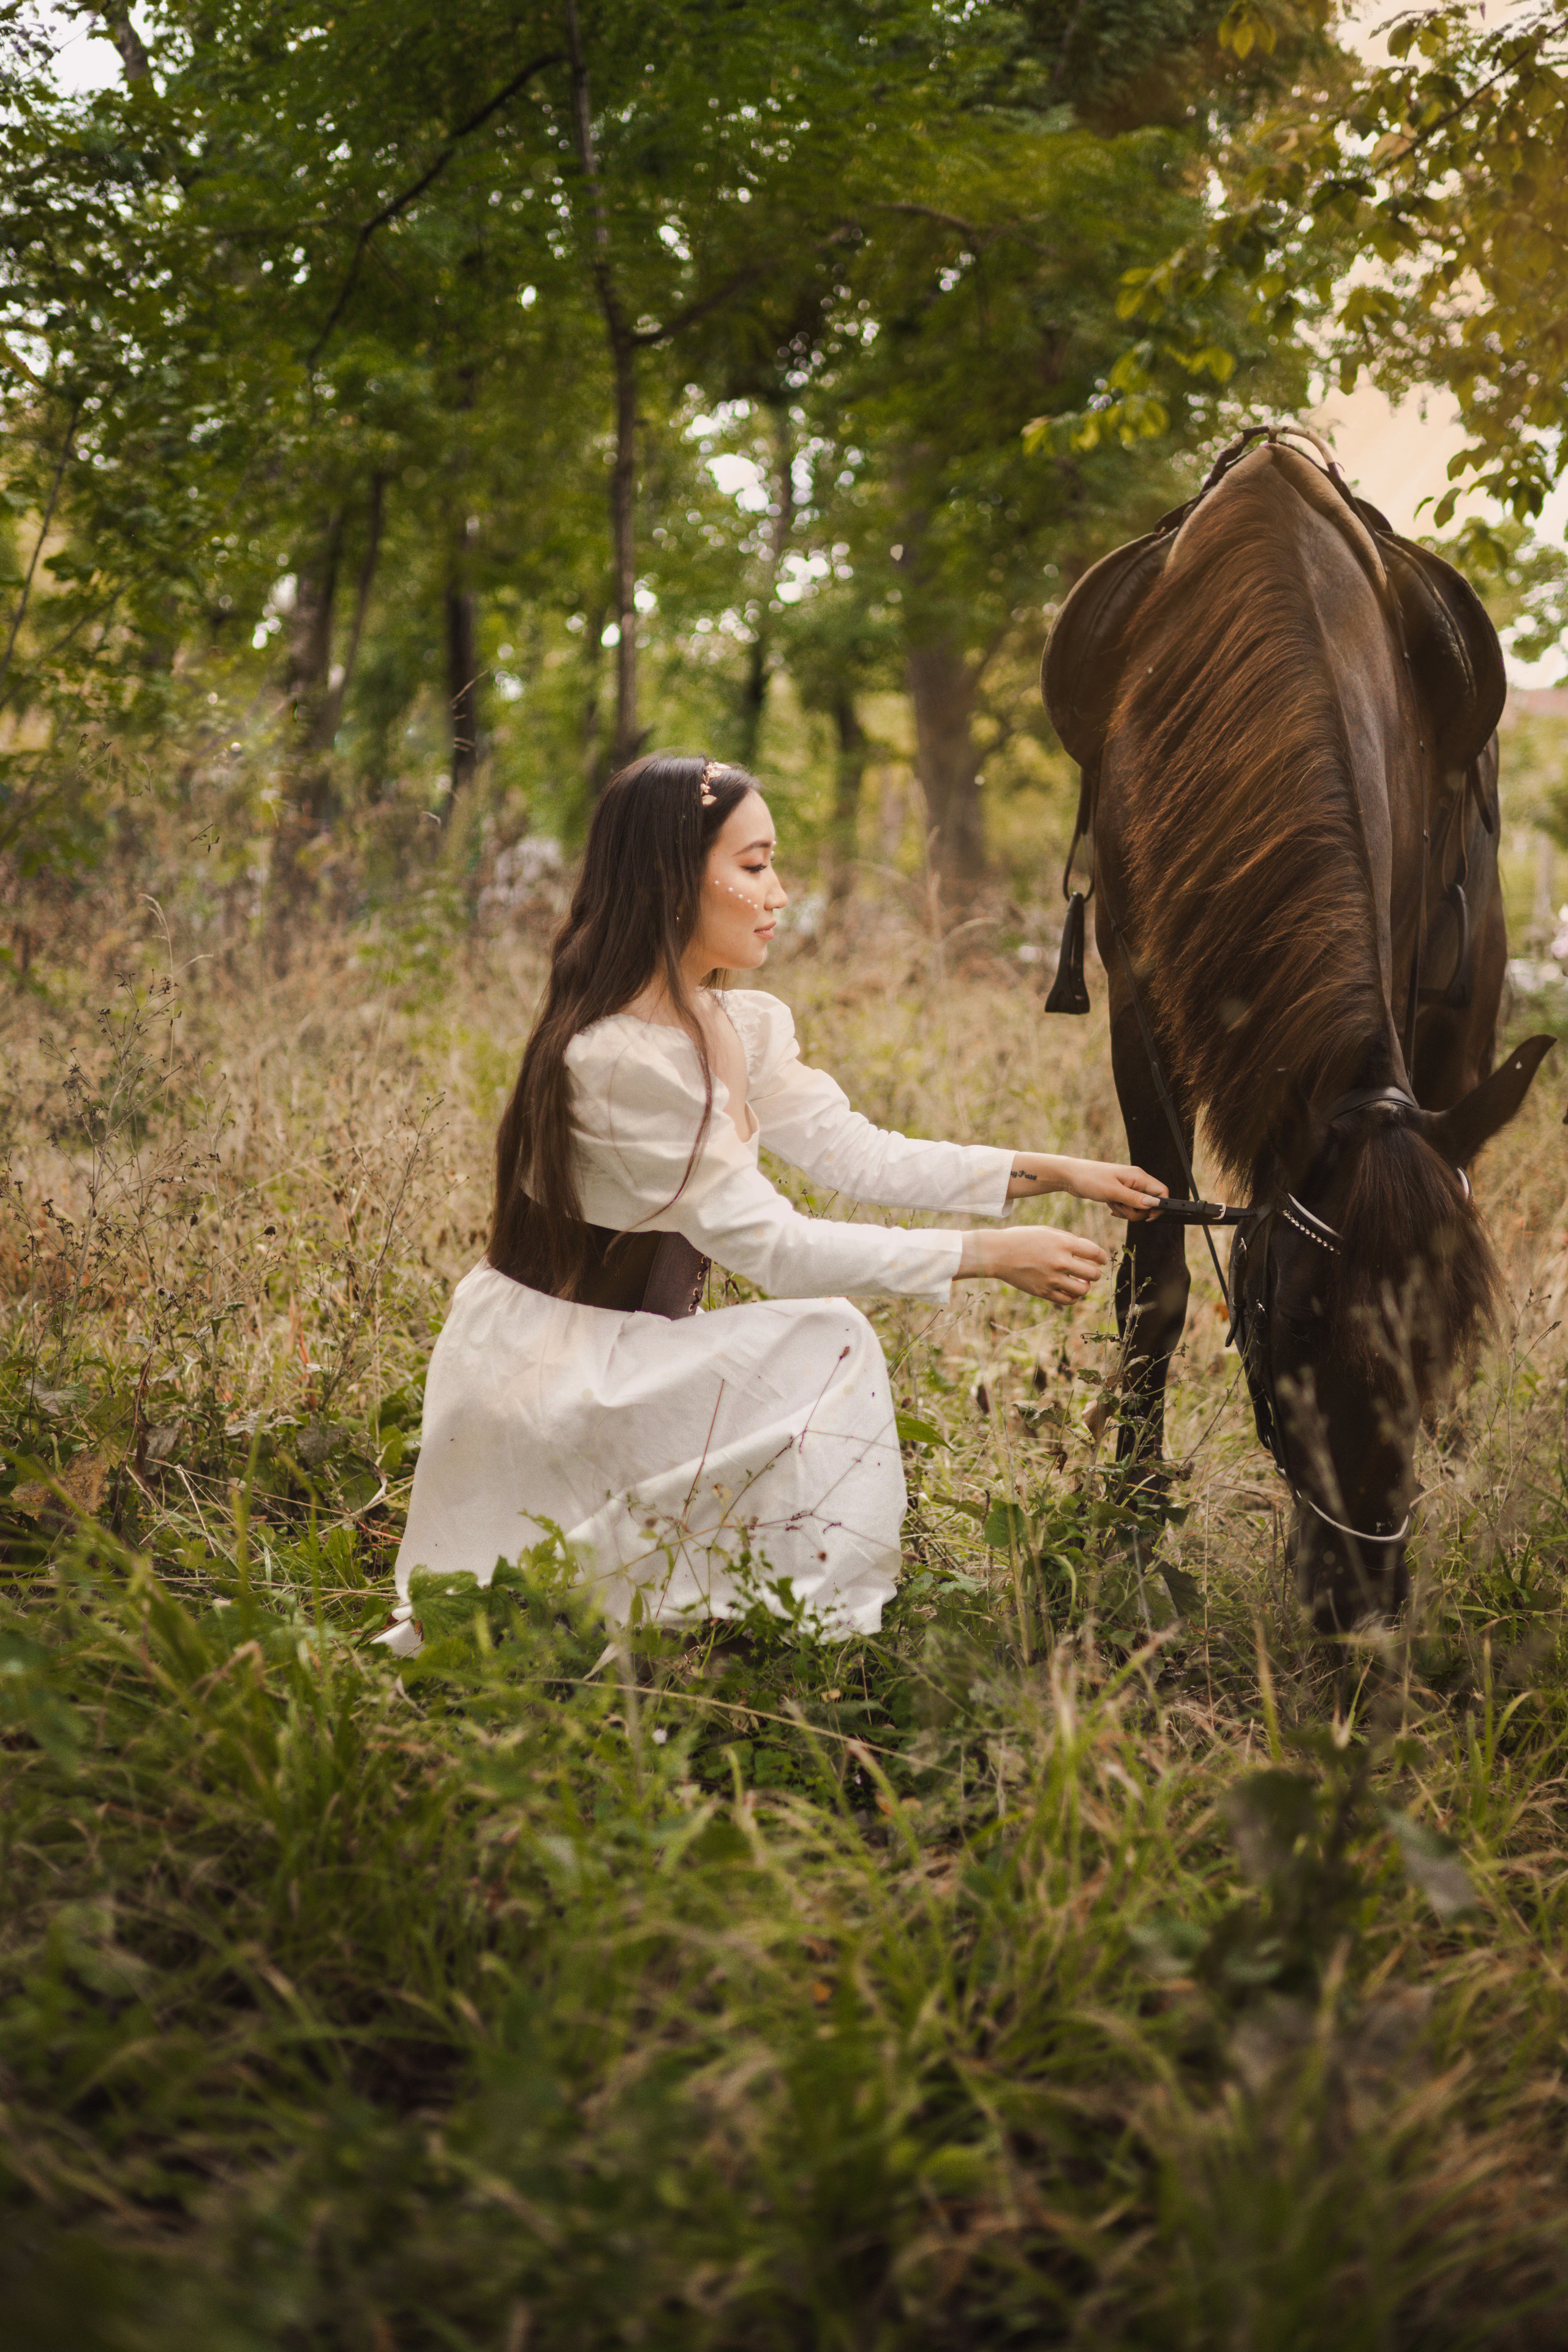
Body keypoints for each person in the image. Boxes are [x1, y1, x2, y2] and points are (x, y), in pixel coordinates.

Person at [377, 753, 1166, 1654]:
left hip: (635, 1349)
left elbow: (857, 1152)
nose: (781, 893)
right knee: (824, 1340)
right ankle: (815, 1632)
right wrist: (986, 1257)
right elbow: (776, 1251)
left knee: (805, 1359)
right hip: (553, 1373)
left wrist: (1058, 1169)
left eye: (774, 864)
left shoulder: (733, 1023)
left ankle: (755, 1616)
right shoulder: (618, 1061)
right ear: (675, 877)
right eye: (754, 866)